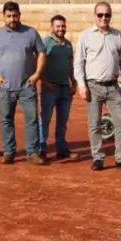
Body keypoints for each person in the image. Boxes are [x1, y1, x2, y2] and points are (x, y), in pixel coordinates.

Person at [73, 1, 121, 172]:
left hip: (113, 86)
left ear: (111, 16)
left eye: (107, 15)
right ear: (94, 16)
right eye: (100, 15)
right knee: (94, 124)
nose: (104, 18)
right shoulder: (85, 36)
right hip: (93, 85)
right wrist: (82, 85)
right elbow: (78, 63)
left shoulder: (117, 35)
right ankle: (98, 157)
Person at [0, 1, 46, 165]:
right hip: (5, 87)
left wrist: (37, 74)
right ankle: (9, 152)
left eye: (15, 15)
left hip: (27, 86)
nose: (12, 19)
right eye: (9, 16)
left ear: (20, 15)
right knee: (6, 119)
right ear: (4, 17)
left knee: (31, 120)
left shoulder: (31, 33)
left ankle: (32, 152)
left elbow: (42, 53)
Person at [39, 14, 79, 160]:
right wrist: (43, 80)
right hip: (49, 87)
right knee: (46, 118)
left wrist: (73, 82)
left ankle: (61, 147)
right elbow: (38, 64)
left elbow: (70, 65)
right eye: (58, 26)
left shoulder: (68, 44)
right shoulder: (45, 43)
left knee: (63, 120)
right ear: (52, 28)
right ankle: (41, 148)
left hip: (64, 87)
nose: (61, 29)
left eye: (63, 26)